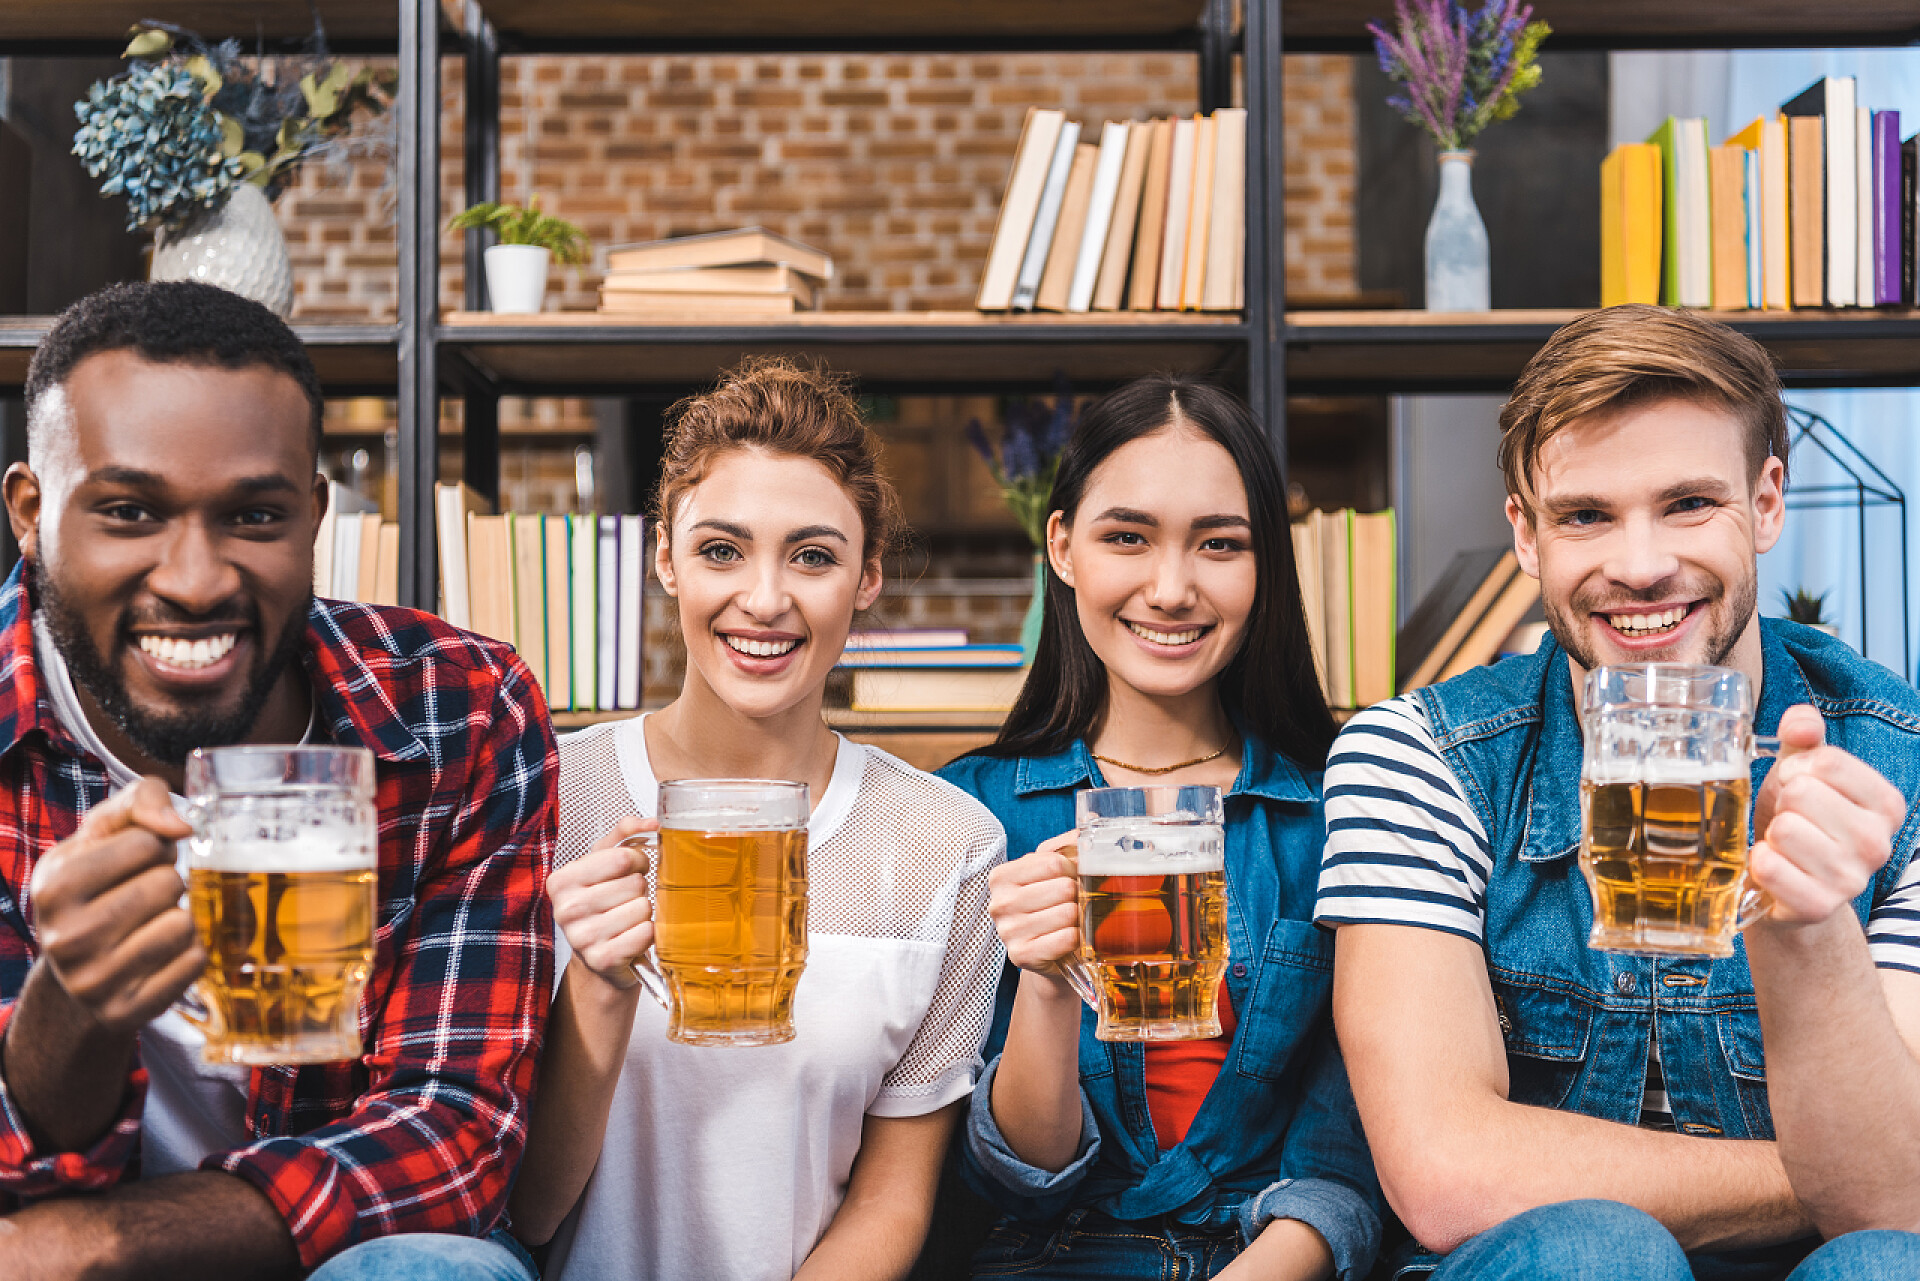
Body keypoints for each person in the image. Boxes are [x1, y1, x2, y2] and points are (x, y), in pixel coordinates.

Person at [1316, 304, 1920, 1279]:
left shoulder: (1906, 770)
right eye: (1586, 516)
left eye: (1689, 503)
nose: (1640, 568)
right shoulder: (1417, 757)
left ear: (1767, 504)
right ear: (1525, 534)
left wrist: (1808, 931)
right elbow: (1446, 1176)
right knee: (1598, 1253)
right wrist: (1815, 1177)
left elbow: (1898, 1210)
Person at [0, 282, 555, 1280]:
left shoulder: (457, 703)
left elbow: (451, 1127)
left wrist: (100, 1243)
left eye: (254, 516)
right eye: (129, 511)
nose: (197, 578)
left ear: (314, 517)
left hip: (326, 1252)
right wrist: (69, 1011)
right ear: (31, 515)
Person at [507, 357, 1007, 1281]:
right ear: (664, 559)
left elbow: (894, 1199)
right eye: (721, 550)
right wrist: (598, 990)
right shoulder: (547, 798)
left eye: (813, 556)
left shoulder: (947, 845)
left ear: (867, 578)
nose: (766, 599)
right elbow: (529, 1211)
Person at [938, 375, 1382, 1281]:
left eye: (1220, 544)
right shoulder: (968, 813)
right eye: (1127, 537)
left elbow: (1351, 1163)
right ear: (1063, 547)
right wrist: (1050, 988)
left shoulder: (1346, 807)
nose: (1171, 588)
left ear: (1267, 564)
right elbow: (1012, 1179)